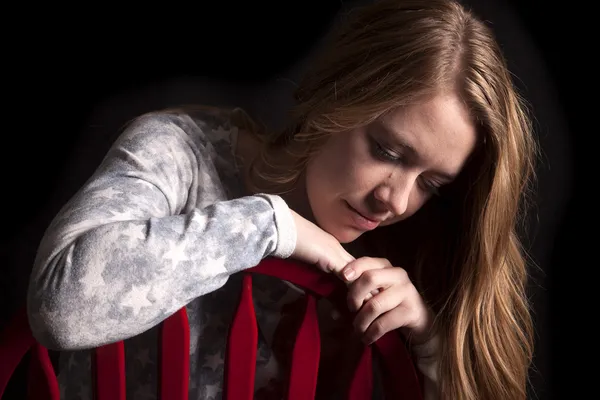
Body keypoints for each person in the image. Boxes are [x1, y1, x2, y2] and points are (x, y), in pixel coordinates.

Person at [26, 0, 539, 398]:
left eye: (431, 184)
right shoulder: (180, 154)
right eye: (385, 150)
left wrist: (427, 350)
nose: (395, 200)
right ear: (334, 97)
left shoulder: (408, 256)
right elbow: (59, 308)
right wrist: (275, 227)